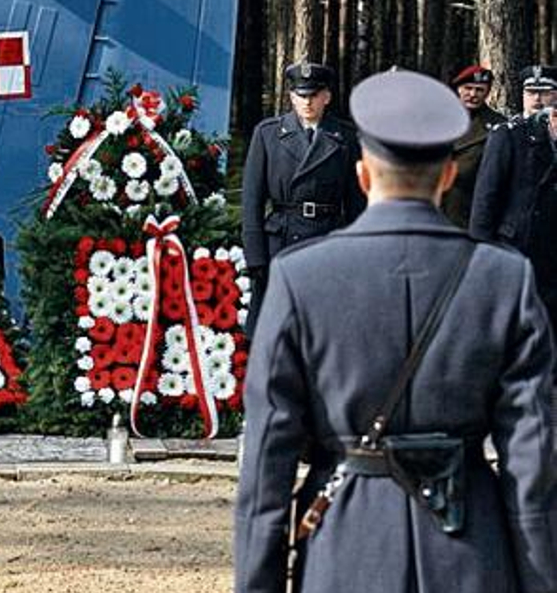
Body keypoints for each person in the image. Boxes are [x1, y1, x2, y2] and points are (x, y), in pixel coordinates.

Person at [235, 70, 557, 593]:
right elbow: (531, 459)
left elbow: (268, 460)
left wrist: (258, 583)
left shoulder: (301, 279)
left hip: (346, 546)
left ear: (363, 176)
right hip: (469, 547)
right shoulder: (504, 279)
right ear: (449, 176)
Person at [241, 62, 364, 337]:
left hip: (328, 241)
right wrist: (256, 255)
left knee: (323, 332)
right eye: (301, 95)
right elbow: (252, 201)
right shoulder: (268, 134)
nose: (307, 102)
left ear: (326, 97)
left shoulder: (345, 137)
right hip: (280, 241)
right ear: (291, 97)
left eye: (313, 95)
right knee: (273, 333)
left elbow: (357, 203)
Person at [470, 64, 557, 326]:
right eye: (530, 92)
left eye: (545, 93)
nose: (537, 99)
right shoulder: (507, 136)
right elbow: (486, 201)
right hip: (517, 248)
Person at [440, 65, 506, 228]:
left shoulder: (498, 126)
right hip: (434, 206)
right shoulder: (438, 118)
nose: (472, 94)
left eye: (479, 90)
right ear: (458, 89)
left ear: (488, 92)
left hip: (469, 210)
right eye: (467, 88)